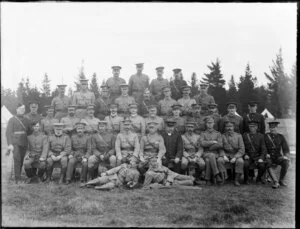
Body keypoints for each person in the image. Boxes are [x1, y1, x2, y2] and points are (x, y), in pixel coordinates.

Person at [6, 103, 31, 184]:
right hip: (15, 142)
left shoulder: (27, 120)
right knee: (17, 159)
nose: (22, 110)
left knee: (21, 160)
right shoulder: (12, 119)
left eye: (23, 109)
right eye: (20, 109)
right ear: (17, 109)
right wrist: (9, 144)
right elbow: (8, 133)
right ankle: (17, 179)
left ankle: (18, 175)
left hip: (24, 142)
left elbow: (30, 131)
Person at [264, 120, 290, 189]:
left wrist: (285, 156)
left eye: (274, 127)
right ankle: (276, 182)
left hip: (278, 157)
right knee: (268, 163)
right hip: (269, 157)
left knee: (286, 163)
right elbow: (263, 147)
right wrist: (266, 153)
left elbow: (286, 148)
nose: (272, 129)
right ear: (269, 128)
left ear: (277, 128)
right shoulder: (265, 136)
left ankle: (281, 180)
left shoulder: (281, 137)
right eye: (271, 128)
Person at [218, 121, 245, 186]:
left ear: (234, 127)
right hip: (226, 154)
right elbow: (220, 147)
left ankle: (236, 180)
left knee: (240, 161)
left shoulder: (239, 136)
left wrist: (235, 157)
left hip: (236, 154)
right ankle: (223, 179)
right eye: (227, 126)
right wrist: (224, 156)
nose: (229, 128)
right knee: (219, 160)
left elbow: (242, 149)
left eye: (231, 126)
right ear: (225, 127)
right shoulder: (222, 136)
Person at [200, 117, 223, 185]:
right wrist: (213, 142)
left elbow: (220, 144)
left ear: (214, 124)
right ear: (206, 124)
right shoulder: (203, 133)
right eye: (208, 123)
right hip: (205, 153)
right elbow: (202, 143)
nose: (209, 124)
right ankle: (216, 174)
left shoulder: (218, 133)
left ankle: (208, 179)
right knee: (210, 156)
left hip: (215, 153)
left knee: (208, 160)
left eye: (211, 123)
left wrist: (210, 147)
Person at [242, 120, 267, 185]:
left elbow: (263, 149)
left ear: (256, 127)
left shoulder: (261, 136)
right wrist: (245, 154)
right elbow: (242, 147)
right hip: (249, 156)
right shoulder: (245, 135)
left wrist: (261, 158)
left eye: (253, 126)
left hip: (257, 156)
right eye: (250, 126)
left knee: (262, 165)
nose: (251, 128)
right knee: (245, 164)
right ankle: (246, 179)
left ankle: (258, 179)